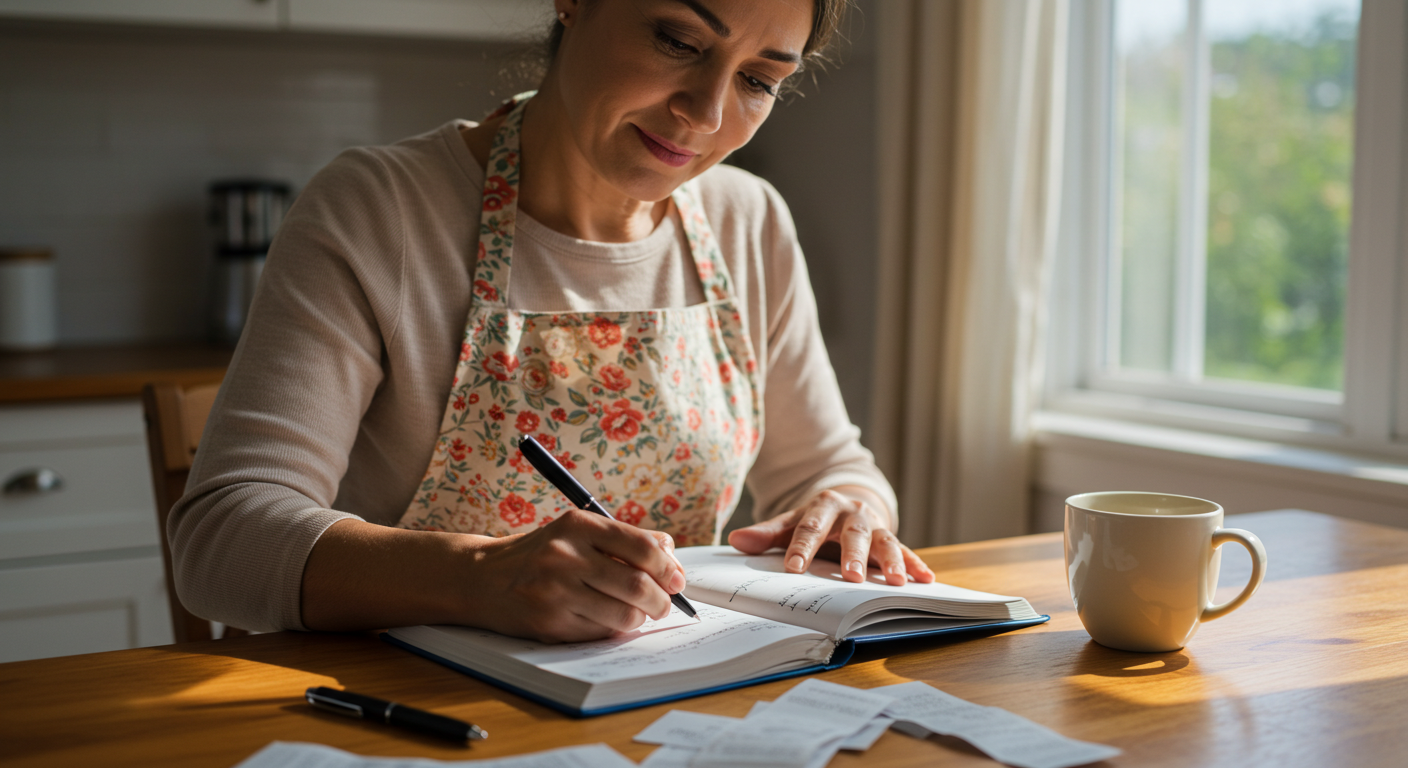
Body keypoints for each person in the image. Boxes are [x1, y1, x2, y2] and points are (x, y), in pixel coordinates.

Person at [169, 0, 935, 644]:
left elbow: (827, 468)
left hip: (663, 709)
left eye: (759, 80)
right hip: (418, 720)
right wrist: (476, 576)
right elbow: (222, 541)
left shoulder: (748, 221)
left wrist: (851, 508)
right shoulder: (379, 211)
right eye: (677, 41)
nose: (706, 113)